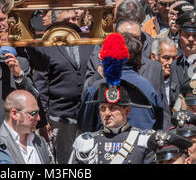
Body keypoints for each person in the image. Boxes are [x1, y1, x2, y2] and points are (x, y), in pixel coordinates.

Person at [70, 33, 155, 164]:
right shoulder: (89, 142)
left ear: (127, 111)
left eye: (112, 108)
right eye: (102, 108)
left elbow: (85, 123)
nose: (107, 114)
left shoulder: (142, 142)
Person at [32, 9, 95, 164]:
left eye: (74, 19)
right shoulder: (46, 46)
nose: (73, 23)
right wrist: (43, 120)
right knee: (65, 161)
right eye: (67, 21)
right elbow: (41, 86)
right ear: (56, 24)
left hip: (87, 116)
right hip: (60, 118)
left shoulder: (88, 42)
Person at [0, 90, 51, 164]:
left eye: (38, 112)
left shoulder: (40, 142)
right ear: (15, 114)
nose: (38, 118)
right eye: (33, 113)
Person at [151, 38, 178, 109]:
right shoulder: (146, 79)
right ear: (154, 57)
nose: (171, 62)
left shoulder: (179, 80)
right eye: (166, 58)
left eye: (174, 58)